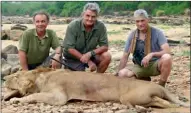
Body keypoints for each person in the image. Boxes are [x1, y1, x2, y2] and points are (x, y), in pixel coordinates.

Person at [116, 9, 172, 87]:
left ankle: (161, 86)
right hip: (139, 65)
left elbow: (167, 51)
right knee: (122, 74)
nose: (140, 24)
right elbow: (125, 56)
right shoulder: (132, 35)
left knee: (167, 58)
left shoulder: (157, 32)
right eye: (137, 21)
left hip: (155, 65)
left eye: (142, 21)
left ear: (148, 20)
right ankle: (143, 79)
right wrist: (117, 75)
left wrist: (152, 54)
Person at [63, 2, 111, 73]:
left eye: (93, 16)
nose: (90, 19)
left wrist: (90, 54)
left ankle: (97, 78)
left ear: (97, 16)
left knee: (107, 56)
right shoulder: (73, 26)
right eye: (87, 16)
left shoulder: (101, 26)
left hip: (90, 55)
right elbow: (70, 49)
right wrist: (88, 61)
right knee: (78, 79)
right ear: (83, 14)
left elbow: (105, 46)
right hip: (73, 57)